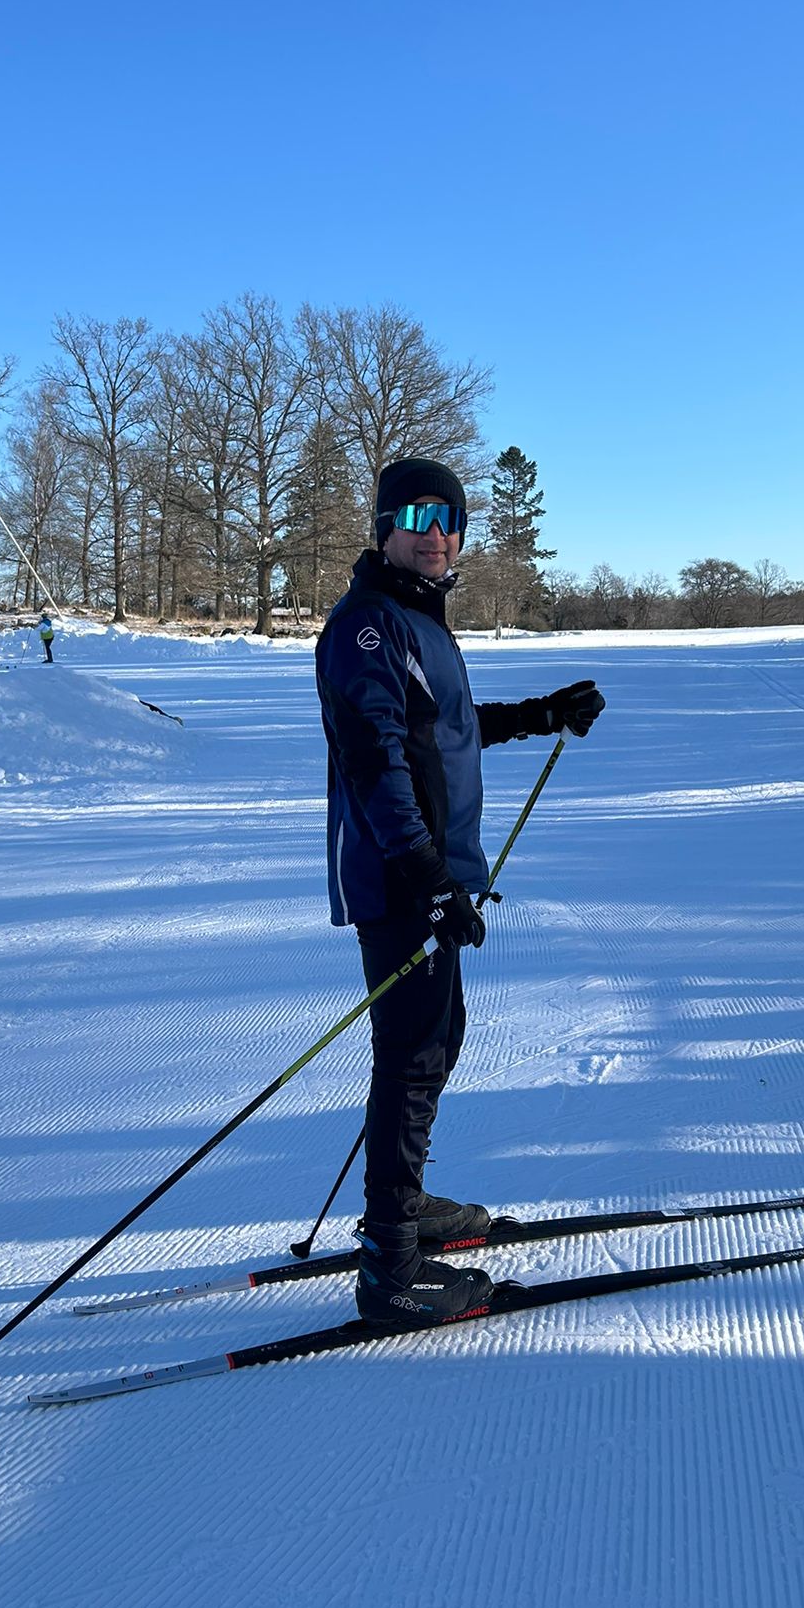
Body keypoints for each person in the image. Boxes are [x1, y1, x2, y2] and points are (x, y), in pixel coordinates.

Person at [315, 457, 606, 1328]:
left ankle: (403, 1209)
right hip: (399, 876)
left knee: (437, 1041)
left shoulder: (419, 621)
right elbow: (376, 760)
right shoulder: (367, 628)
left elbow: (446, 729)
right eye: (416, 516)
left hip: (429, 876)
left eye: (449, 519)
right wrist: (427, 878)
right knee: (411, 1055)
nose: (436, 533)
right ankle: (391, 1268)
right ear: (383, 528)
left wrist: (539, 713)